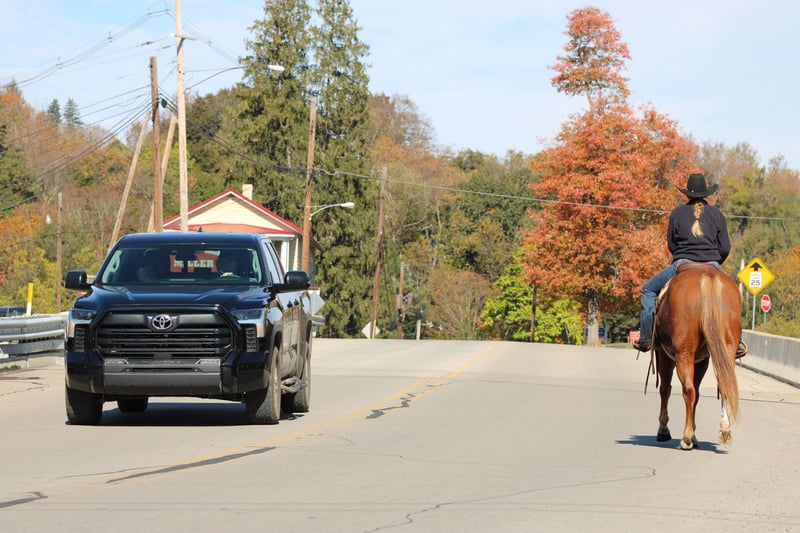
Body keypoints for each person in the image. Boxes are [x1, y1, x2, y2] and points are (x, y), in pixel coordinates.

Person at [633, 173, 746, 357]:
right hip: (712, 264)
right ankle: (736, 341)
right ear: (706, 193)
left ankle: (647, 338)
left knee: (648, 290)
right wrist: (714, 262)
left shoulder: (677, 213)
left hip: (683, 263)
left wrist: (683, 255)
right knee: (732, 295)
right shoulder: (717, 214)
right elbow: (725, 247)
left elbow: (671, 244)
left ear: (687, 193)